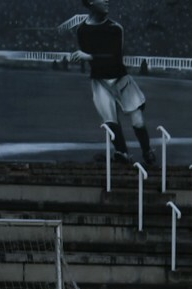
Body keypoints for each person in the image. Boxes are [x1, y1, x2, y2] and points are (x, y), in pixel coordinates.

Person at [64, 0, 154, 169]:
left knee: (137, 121)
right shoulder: (82, 30)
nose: (107, 1)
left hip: (121, 79)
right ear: (90, 2)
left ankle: (147, 151)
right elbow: (93, 58)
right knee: (110, 121)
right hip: (100, 81)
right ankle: (122, 153)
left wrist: (89, 56)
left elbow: (114, 57)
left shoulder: (115, 28)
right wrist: (86, 57)